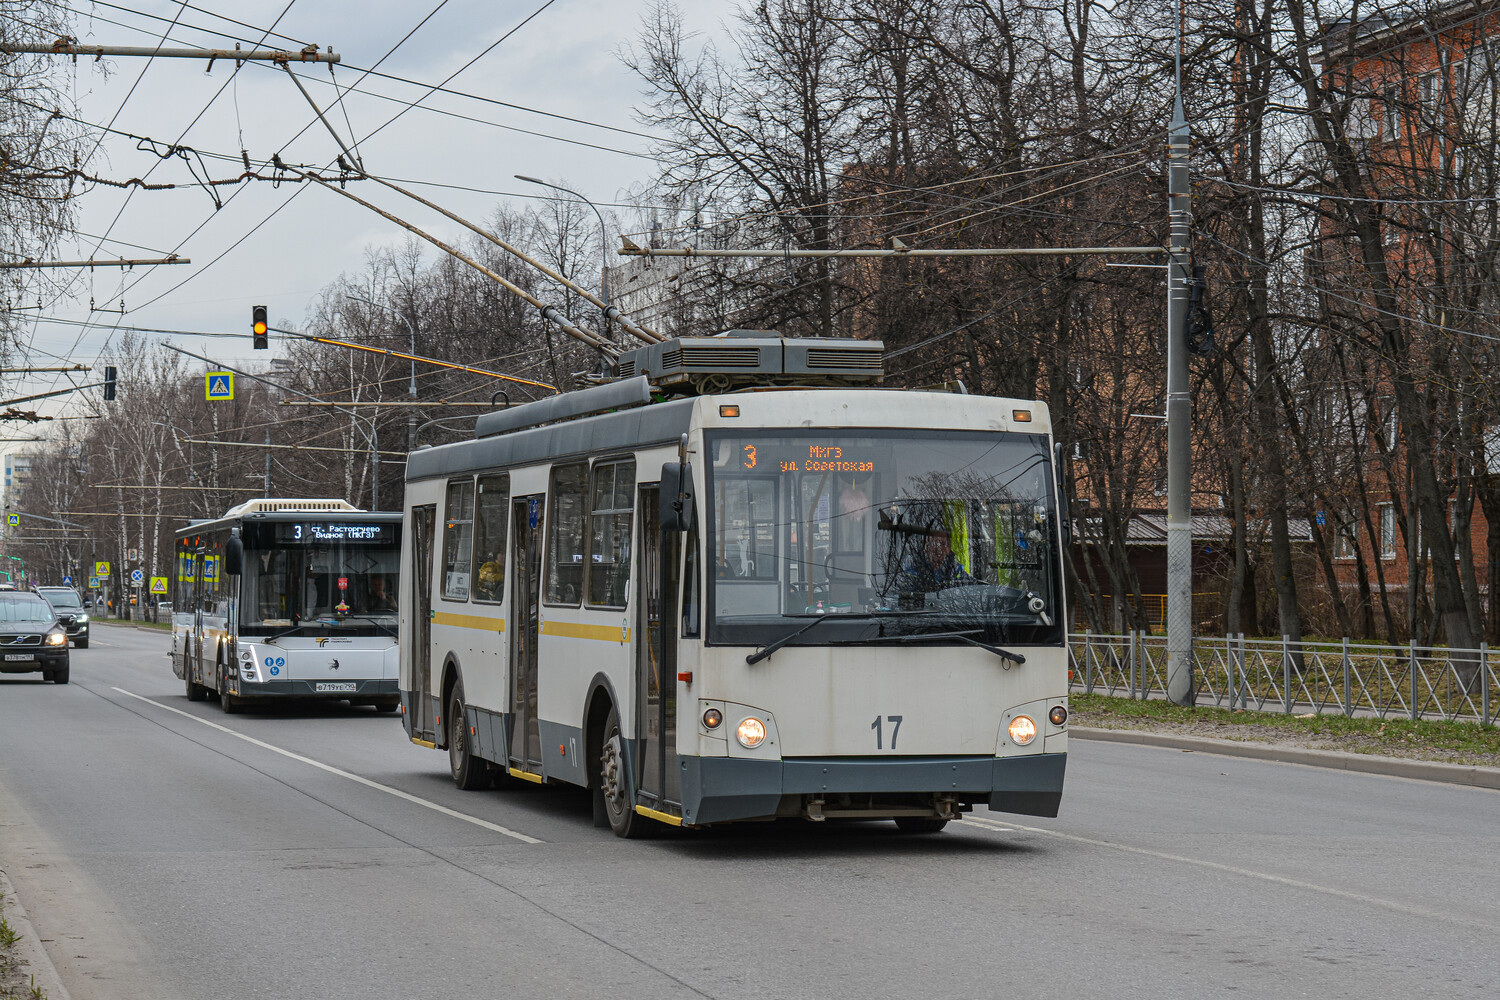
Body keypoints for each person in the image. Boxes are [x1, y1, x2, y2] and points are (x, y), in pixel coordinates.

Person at [900, 532, 971, 595]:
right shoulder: (915, 569)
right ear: (928, 547)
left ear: (948, 548)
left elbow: (970, 587)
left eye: (942, 544)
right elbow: (906, 591)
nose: (938, 548)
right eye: (935, 543)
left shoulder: (956, 570)